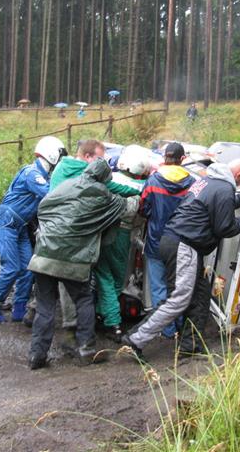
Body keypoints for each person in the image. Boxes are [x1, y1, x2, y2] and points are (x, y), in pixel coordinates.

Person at [122, 160, 240, 361]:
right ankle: (134, 340)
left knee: (200, 296)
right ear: (239, 175)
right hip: (184, 245)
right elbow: (224, 228)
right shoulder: (224, 188)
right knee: (179, 298)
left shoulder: (209, 182)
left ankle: (190, 345)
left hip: (176, 241)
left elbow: (217, 204)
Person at [27, 158, 140, 369]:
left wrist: (53, 229)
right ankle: (86, 349)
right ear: (105, 178)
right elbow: (129, 208)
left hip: (43, 256)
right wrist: (139, 195)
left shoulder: (66, 184)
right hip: (73, 260)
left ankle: (37, 355)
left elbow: (42, 207)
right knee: (84, 300)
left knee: (45, 308)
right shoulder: (102, 193)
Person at [41, 139, 140, 332]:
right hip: (73, 237)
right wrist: (140, 191)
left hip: (49, 234)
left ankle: (34, 316)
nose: (103, 163)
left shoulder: (62, 167)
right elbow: (114, 190)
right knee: (80, 289)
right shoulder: (87, 177)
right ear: (88, 157)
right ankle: (80, 334)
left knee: (47, 289)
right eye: (100, 159)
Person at [0, 136, 67, 324]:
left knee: (29, 268)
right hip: (5, 222)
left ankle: (19, 306)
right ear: (52, 155)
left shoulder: (44, 176)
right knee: (11, 268)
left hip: (19, 226)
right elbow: (50, 195)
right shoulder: (32, 174)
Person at [94, 145, 150, 342]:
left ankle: (105, 316)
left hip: (103, 232)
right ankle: (110, 318)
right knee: (117, 279)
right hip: (124, 235)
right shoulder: (143, 187)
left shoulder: (111, 180)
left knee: (103, 275)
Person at [140, 142, 194, 338]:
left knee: (158, 287)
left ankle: (166, 330)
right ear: (182, 159)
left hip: (155, 241)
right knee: (178, 287)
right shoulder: (193, 182)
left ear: (165, 158)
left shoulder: (153, 180)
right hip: (182, 242)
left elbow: (143, 208)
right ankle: (179, 325)